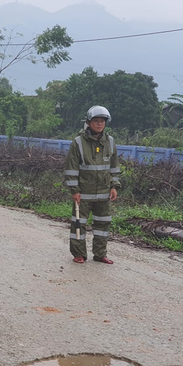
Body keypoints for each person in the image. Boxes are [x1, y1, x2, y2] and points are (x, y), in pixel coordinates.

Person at [63, 106, 121, 264]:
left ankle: (100, 254)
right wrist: (74, 190)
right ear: (88, 122)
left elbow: (114, 167)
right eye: (96, 121)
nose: (100, 124)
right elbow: (71, 168)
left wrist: (114, 186)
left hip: (104, 193)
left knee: (103, 224)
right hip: (83, 193)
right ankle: (79, 254)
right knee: (78, 224)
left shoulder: (110, 142)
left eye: (102, 121)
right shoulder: (78, 142)